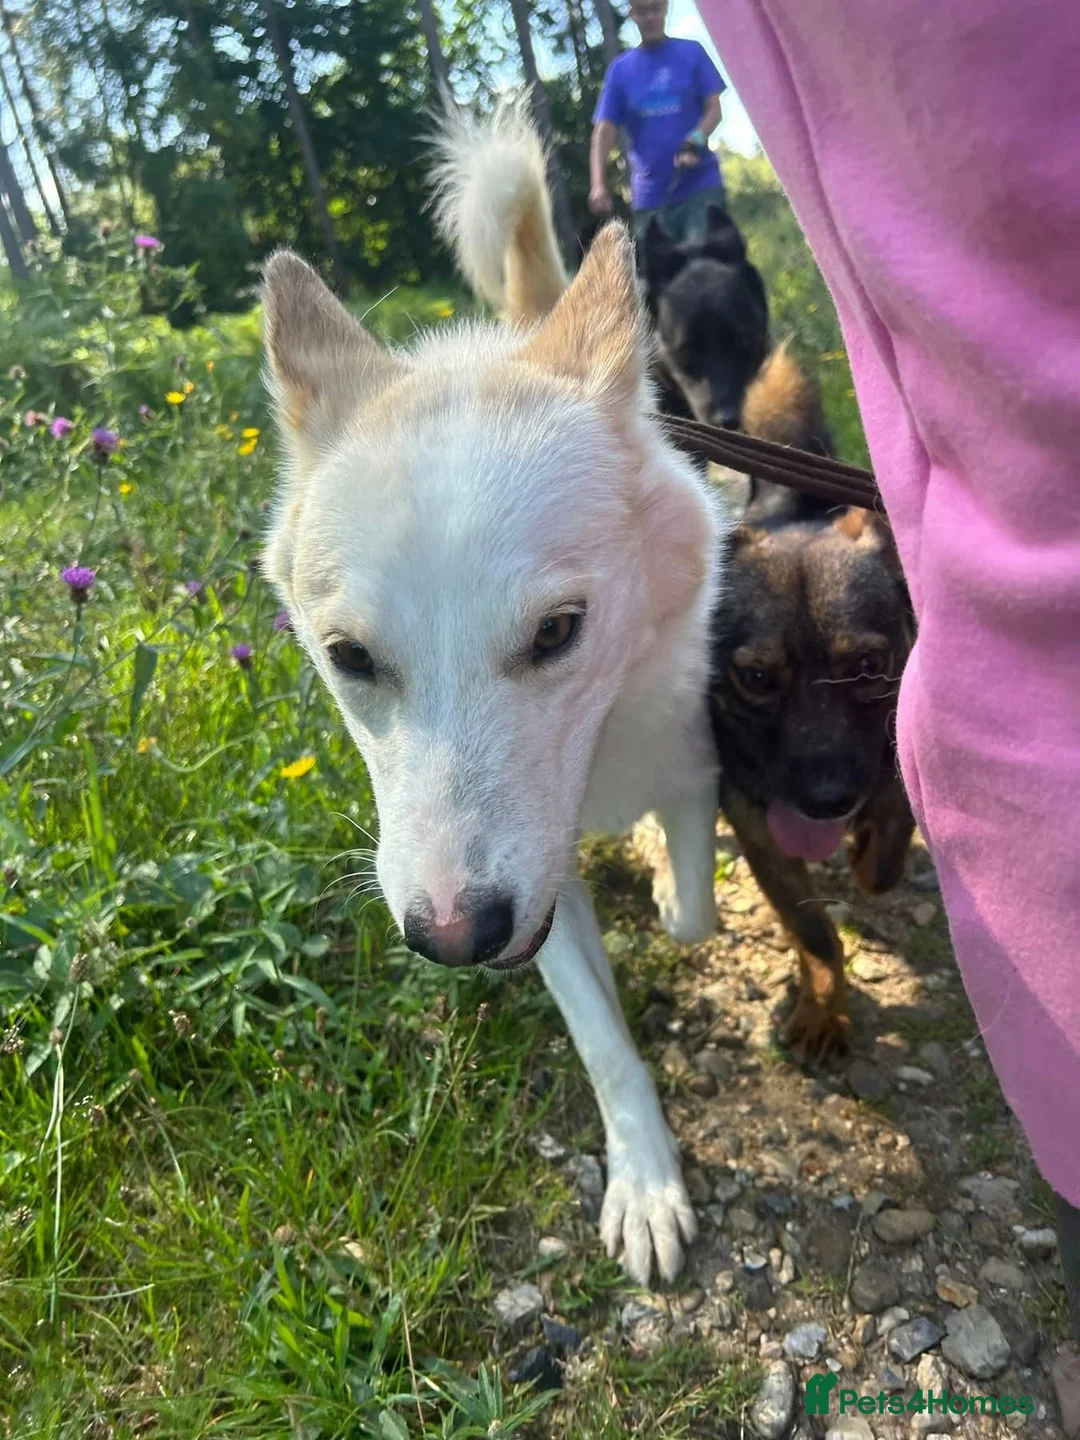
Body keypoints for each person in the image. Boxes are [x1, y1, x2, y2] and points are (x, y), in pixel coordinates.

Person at [689, 0, 1080, 1350]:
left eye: (862, 673)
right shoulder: (730, 618)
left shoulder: (900, 586)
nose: (815, 742)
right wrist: (820, 970)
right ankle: (815, 973)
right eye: (755, 686)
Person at [589, 0, 727, 247]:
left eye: (656, 8)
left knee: (706, 270)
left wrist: (694, 139)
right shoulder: (621, 71)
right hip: (651, 198)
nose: (650, 17)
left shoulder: (692, 53)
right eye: (642, 11)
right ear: (632, 13)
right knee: (659, 279)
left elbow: (714, 109)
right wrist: (598, 183)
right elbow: (604, 131)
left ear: (666, 8)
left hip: (700, 189)